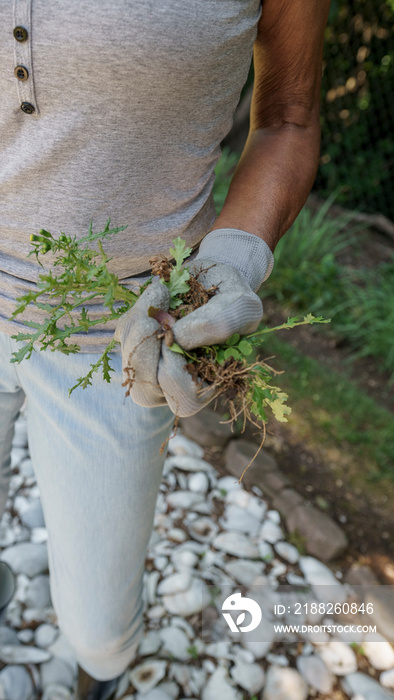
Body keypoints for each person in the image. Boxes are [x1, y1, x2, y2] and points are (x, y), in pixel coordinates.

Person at [0, 0, 331, 697]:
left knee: (99, 625)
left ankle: (102, 676)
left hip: (121, 335)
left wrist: (234, 256)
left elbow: (288, 119)